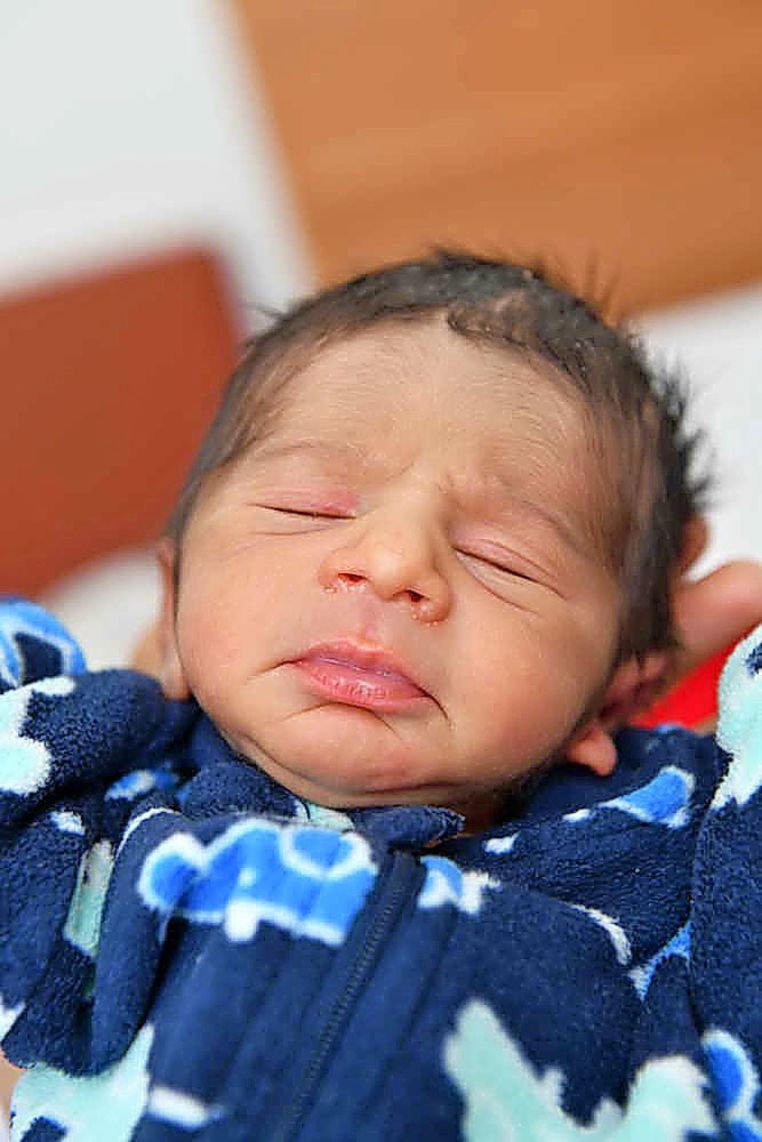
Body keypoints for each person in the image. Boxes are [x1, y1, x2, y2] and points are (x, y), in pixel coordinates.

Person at [2, 251, 762, 1140]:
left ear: (605, 704)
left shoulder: (662, 856)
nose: (394, 561)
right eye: (310, 509)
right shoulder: (83, 790)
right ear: (169, 606)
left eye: (501, 559)